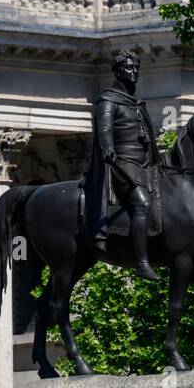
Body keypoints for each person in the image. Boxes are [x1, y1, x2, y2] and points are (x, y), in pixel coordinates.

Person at [82, 50, 161, 281]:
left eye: (136, 68)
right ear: (117, 71)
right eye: (128, 68)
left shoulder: (136, 103)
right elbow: (104, 130)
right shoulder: (107, 101)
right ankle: (142, 262)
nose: (134, 72)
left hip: (145, 163)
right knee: (142, 202)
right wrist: (108, 148)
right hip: (121, 163)